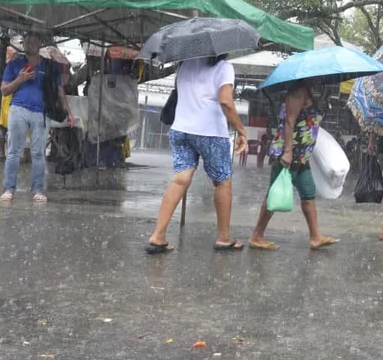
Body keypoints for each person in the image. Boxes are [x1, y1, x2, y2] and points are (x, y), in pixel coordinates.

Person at [145, 55, 248, 254]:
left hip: (181, 129)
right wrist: (241, 130)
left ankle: (158, 236)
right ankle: (224, 238)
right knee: (222, 182)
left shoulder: (184, 65)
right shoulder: (224, 67)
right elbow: (226, 101)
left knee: (179, 180)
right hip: (210, 132)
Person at [248, 79, 339, 251]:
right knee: (273, 193)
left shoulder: (312, 91)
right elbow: (290, 121)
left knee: (308, 191)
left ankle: (315, 237)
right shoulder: (298, 93)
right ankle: (256, 235)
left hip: (302, 154)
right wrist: (288, 151)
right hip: (289, 152)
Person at [0, 32, 74, 203]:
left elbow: (59, 91)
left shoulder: (50, 66)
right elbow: (4, 91)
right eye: (27, 41)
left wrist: (69, 112)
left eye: (34, 41)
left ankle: (37, 189)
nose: (30, 44)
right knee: (13, 152)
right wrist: (20, 79)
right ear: (23, 44)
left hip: (41, 113)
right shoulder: (14, 64)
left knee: (38, 153)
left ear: (40, 43)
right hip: (18, 110)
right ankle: (9, 189)